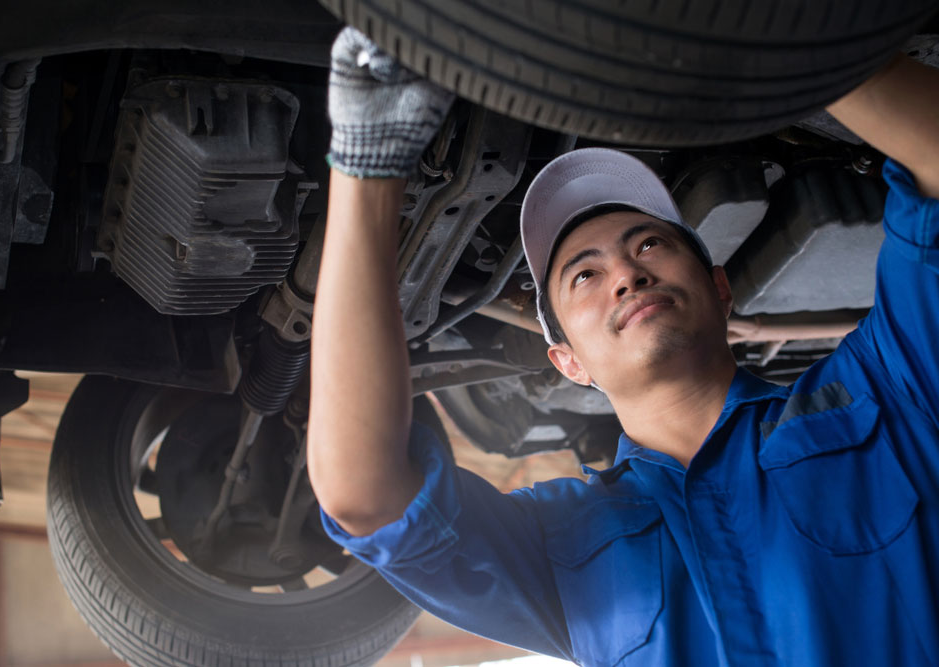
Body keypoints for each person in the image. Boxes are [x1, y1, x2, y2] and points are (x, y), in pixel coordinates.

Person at [308, 27, 939, 666]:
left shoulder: (882, 397)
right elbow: (365, 497)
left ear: (720, 289)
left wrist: (775, 29)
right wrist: (367, 163)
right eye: (584, 274)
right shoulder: (556, 545)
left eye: (650, 245)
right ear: (567, 362)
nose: (626, 275)